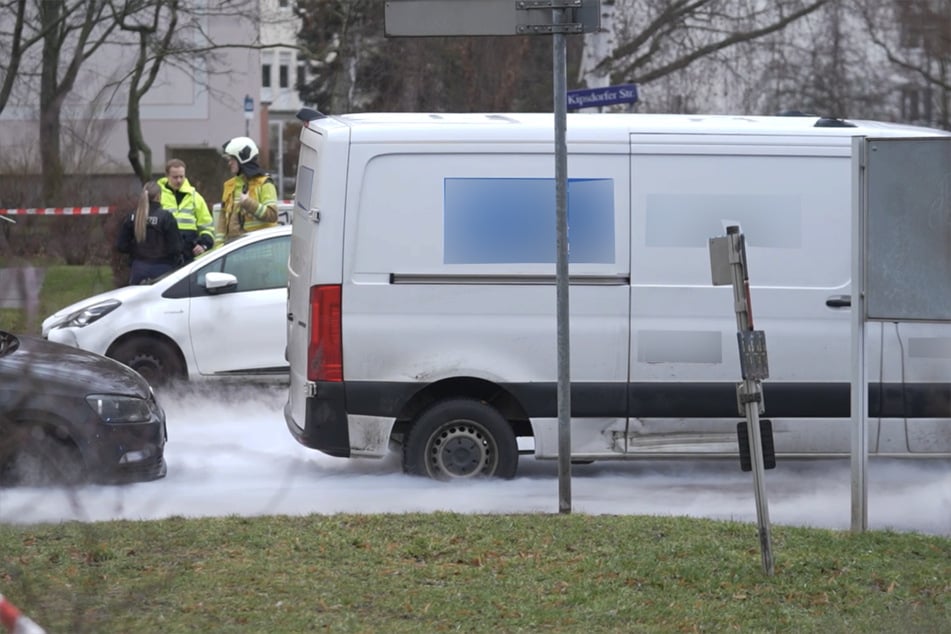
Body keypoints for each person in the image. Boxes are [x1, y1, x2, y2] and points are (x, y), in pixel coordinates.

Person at [116, 181, 183, 285]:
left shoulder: (133, 216)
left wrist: (135, 251)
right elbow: (176, 248)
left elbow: (121, 245)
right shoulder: (166, 217)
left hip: (138, 269)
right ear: (158, 196)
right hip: (163, 269)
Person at [216, 136, 279, 245]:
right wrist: (218, 248)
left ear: (242, 158)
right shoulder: (229, 185)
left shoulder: (265, 183)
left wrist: (248, 203)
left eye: (232, 159)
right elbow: (223, 219)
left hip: (260, 251)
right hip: (234, 250)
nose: (229, 163)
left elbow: (272, 215)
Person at [158, 158, 215, 263]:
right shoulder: (158, 196)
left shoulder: (195, 197)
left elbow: (207, 226)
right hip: (164, 255)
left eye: (181, 176)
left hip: (189, 255)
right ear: (167, 176)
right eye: (175, 177)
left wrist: (203, 244)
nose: (179, 180)